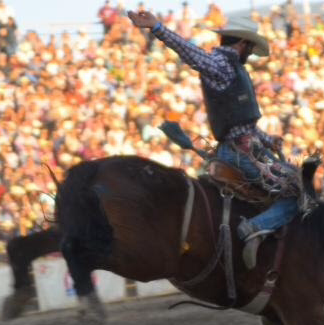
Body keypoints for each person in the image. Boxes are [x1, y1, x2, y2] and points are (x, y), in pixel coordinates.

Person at [128, 10, 303, 269]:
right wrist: (157, 28)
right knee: (301, 191)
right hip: (241, 154)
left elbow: (242, 125)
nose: (251, 53)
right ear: (242, 43)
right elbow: (192, 54)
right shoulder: (223, 64)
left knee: (297, 183)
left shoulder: (230, 67)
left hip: (242, 149)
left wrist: (267, 139)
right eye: (251, 47)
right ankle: (254, 228)